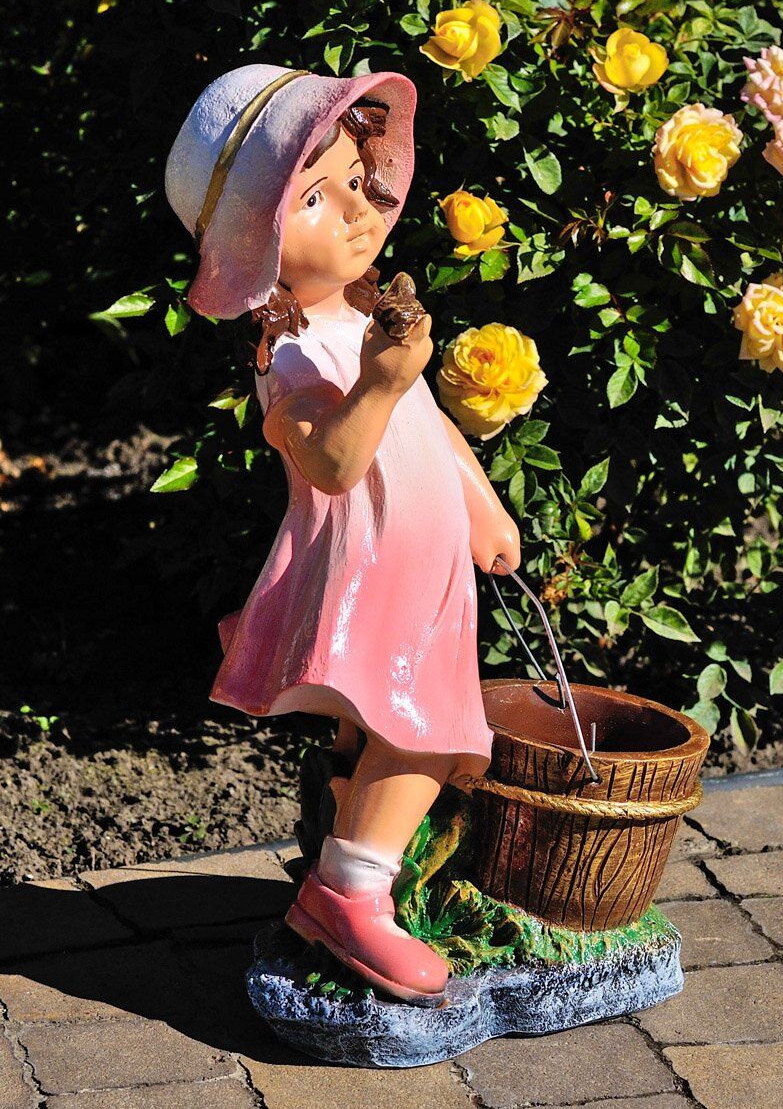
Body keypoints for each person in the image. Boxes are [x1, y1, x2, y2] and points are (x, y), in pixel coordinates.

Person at [165, 64, 520, 1005]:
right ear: (258, 245)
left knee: (397, 733)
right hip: (371, 568)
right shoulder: (287, 355)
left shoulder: (363, 316)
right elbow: (329, 463)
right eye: (318, 198)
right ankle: (348, 896)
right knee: (425, 732)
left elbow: (433, 430)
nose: (360, 209)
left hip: (425, 564)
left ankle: (355, 865)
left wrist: (481, 505)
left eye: (358, 180)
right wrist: (381, 383)